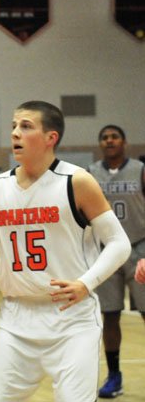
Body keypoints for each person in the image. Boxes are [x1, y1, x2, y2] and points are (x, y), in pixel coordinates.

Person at [0, 101, 131, 401]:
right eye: (13, 126)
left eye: (26, 126)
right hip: (16, 319)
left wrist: (87, 283)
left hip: (71, 320)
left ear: (51, 138)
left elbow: (119, 242)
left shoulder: (77, 182)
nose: (15, 134)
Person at [87, 125, 145, 399]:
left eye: (114, 137)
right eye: (104, 138)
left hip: (139, 248)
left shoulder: (140, 169)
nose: (109, 141)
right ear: (100, 144)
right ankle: (114, 376)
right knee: (109, 315)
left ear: (124, 141)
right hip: (106, 250)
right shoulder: (90, 174)